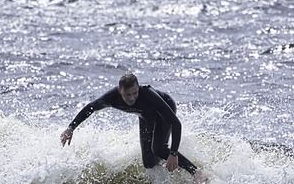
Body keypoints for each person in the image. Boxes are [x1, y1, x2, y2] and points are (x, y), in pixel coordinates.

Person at [61, 72, 200, 176]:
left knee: (158, 148)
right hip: (145, 117)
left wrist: (174, 153)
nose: (132, 97)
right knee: (149, 163)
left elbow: (176, 123)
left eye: (135, 93)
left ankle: (197, 173)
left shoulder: (147, 93)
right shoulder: (111, 98)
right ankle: (169, 163)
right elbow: (90, 108)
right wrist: (71, 128)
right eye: (128, 95)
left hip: (163, 111)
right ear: (120, 90)